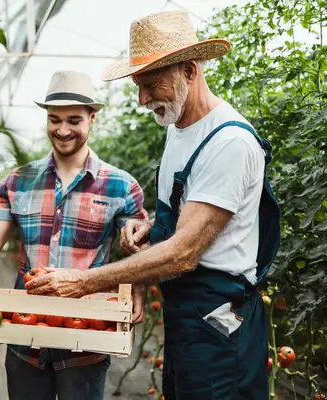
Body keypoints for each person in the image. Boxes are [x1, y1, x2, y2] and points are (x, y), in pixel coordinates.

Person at [25, 11, 281, 399]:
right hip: (188, 316)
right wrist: (153, 228)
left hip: (221, 319)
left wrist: (80, 281)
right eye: (138, 86)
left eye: (151, 85)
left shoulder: (229, 143)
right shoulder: (179, 128)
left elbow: (182, 253)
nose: (144, 99)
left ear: (190, 71)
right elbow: (189, 219)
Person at [0, 70, 149, 400]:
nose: (63, 130)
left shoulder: (121, 186)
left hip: (87, 337)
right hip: (25, 333)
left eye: (74, 120)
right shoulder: (17, 181)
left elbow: (136, 247)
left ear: (92, 119)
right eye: (55, 119)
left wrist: (139, 286)